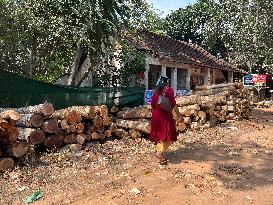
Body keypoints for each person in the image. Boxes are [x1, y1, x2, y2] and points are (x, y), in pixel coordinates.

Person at [150, 76, 180, 164]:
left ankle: (159, 152)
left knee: (159, 135)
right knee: (168, 135)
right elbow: (173, 104)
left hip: (155, 116)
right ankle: (159, 152)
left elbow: (152, 105)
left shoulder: (155, 91)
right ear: (167, 82)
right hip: (165, 117)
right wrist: (179, 115)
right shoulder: (169, 90)